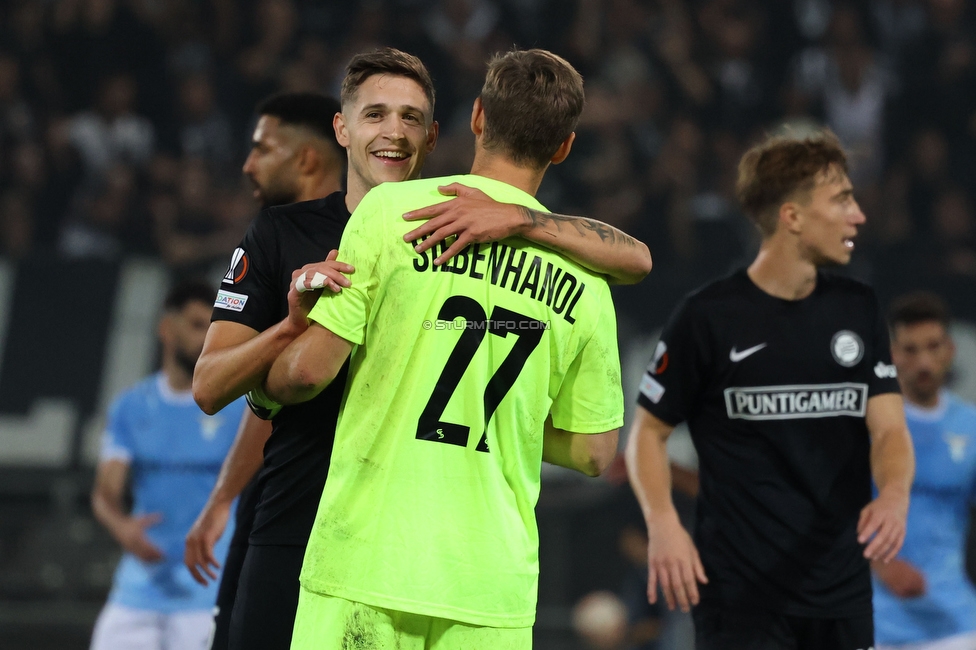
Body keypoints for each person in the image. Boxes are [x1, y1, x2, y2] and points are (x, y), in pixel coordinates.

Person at [189, 48, 650, 650]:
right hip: (488, 582)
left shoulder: (391, 216)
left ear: (472, 120)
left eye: (409, 118)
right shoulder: (588, 279)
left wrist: (281, 367)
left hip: (367, 554)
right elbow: (594, 453)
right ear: (564, 146)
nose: (394, 132)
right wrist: (500, 420)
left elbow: (304, 377)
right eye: (376, 114)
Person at [624, 130, 916, 650]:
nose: (859, 215)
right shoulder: (708, 317)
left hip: (841, 593)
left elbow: (889, 428)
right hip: (741, 599)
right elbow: (647, 433)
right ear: (793, 217)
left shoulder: (859, 309)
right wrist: (665, 525)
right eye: (842, 200)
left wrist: (893, 494)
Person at [183, 91, 346, 650]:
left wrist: (224, 498)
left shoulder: (366, 238)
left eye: (262, 149)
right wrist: (226, 495)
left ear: (306, 158)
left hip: (322, 501)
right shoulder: (274, 234)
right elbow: (264, 400)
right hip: (285, 491)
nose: (248, 164)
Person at [90, 281, 247, 650]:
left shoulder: (237, 407)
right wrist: (122, 527)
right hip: (138, 589)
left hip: (206, 590)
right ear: (166, 329)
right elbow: (105, 492)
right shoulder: (131, 407)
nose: (205, 338)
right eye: (195, 325)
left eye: (211, 327)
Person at [873, 292, 976, 650]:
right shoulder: (867, 427)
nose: (924, 362)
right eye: (910, 349)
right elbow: (827, 513)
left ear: (950, 350)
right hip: (878, 624)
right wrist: (879, 563)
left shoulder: (971, 425)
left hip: (956, 623)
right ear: (892, 355)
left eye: (933, 347)